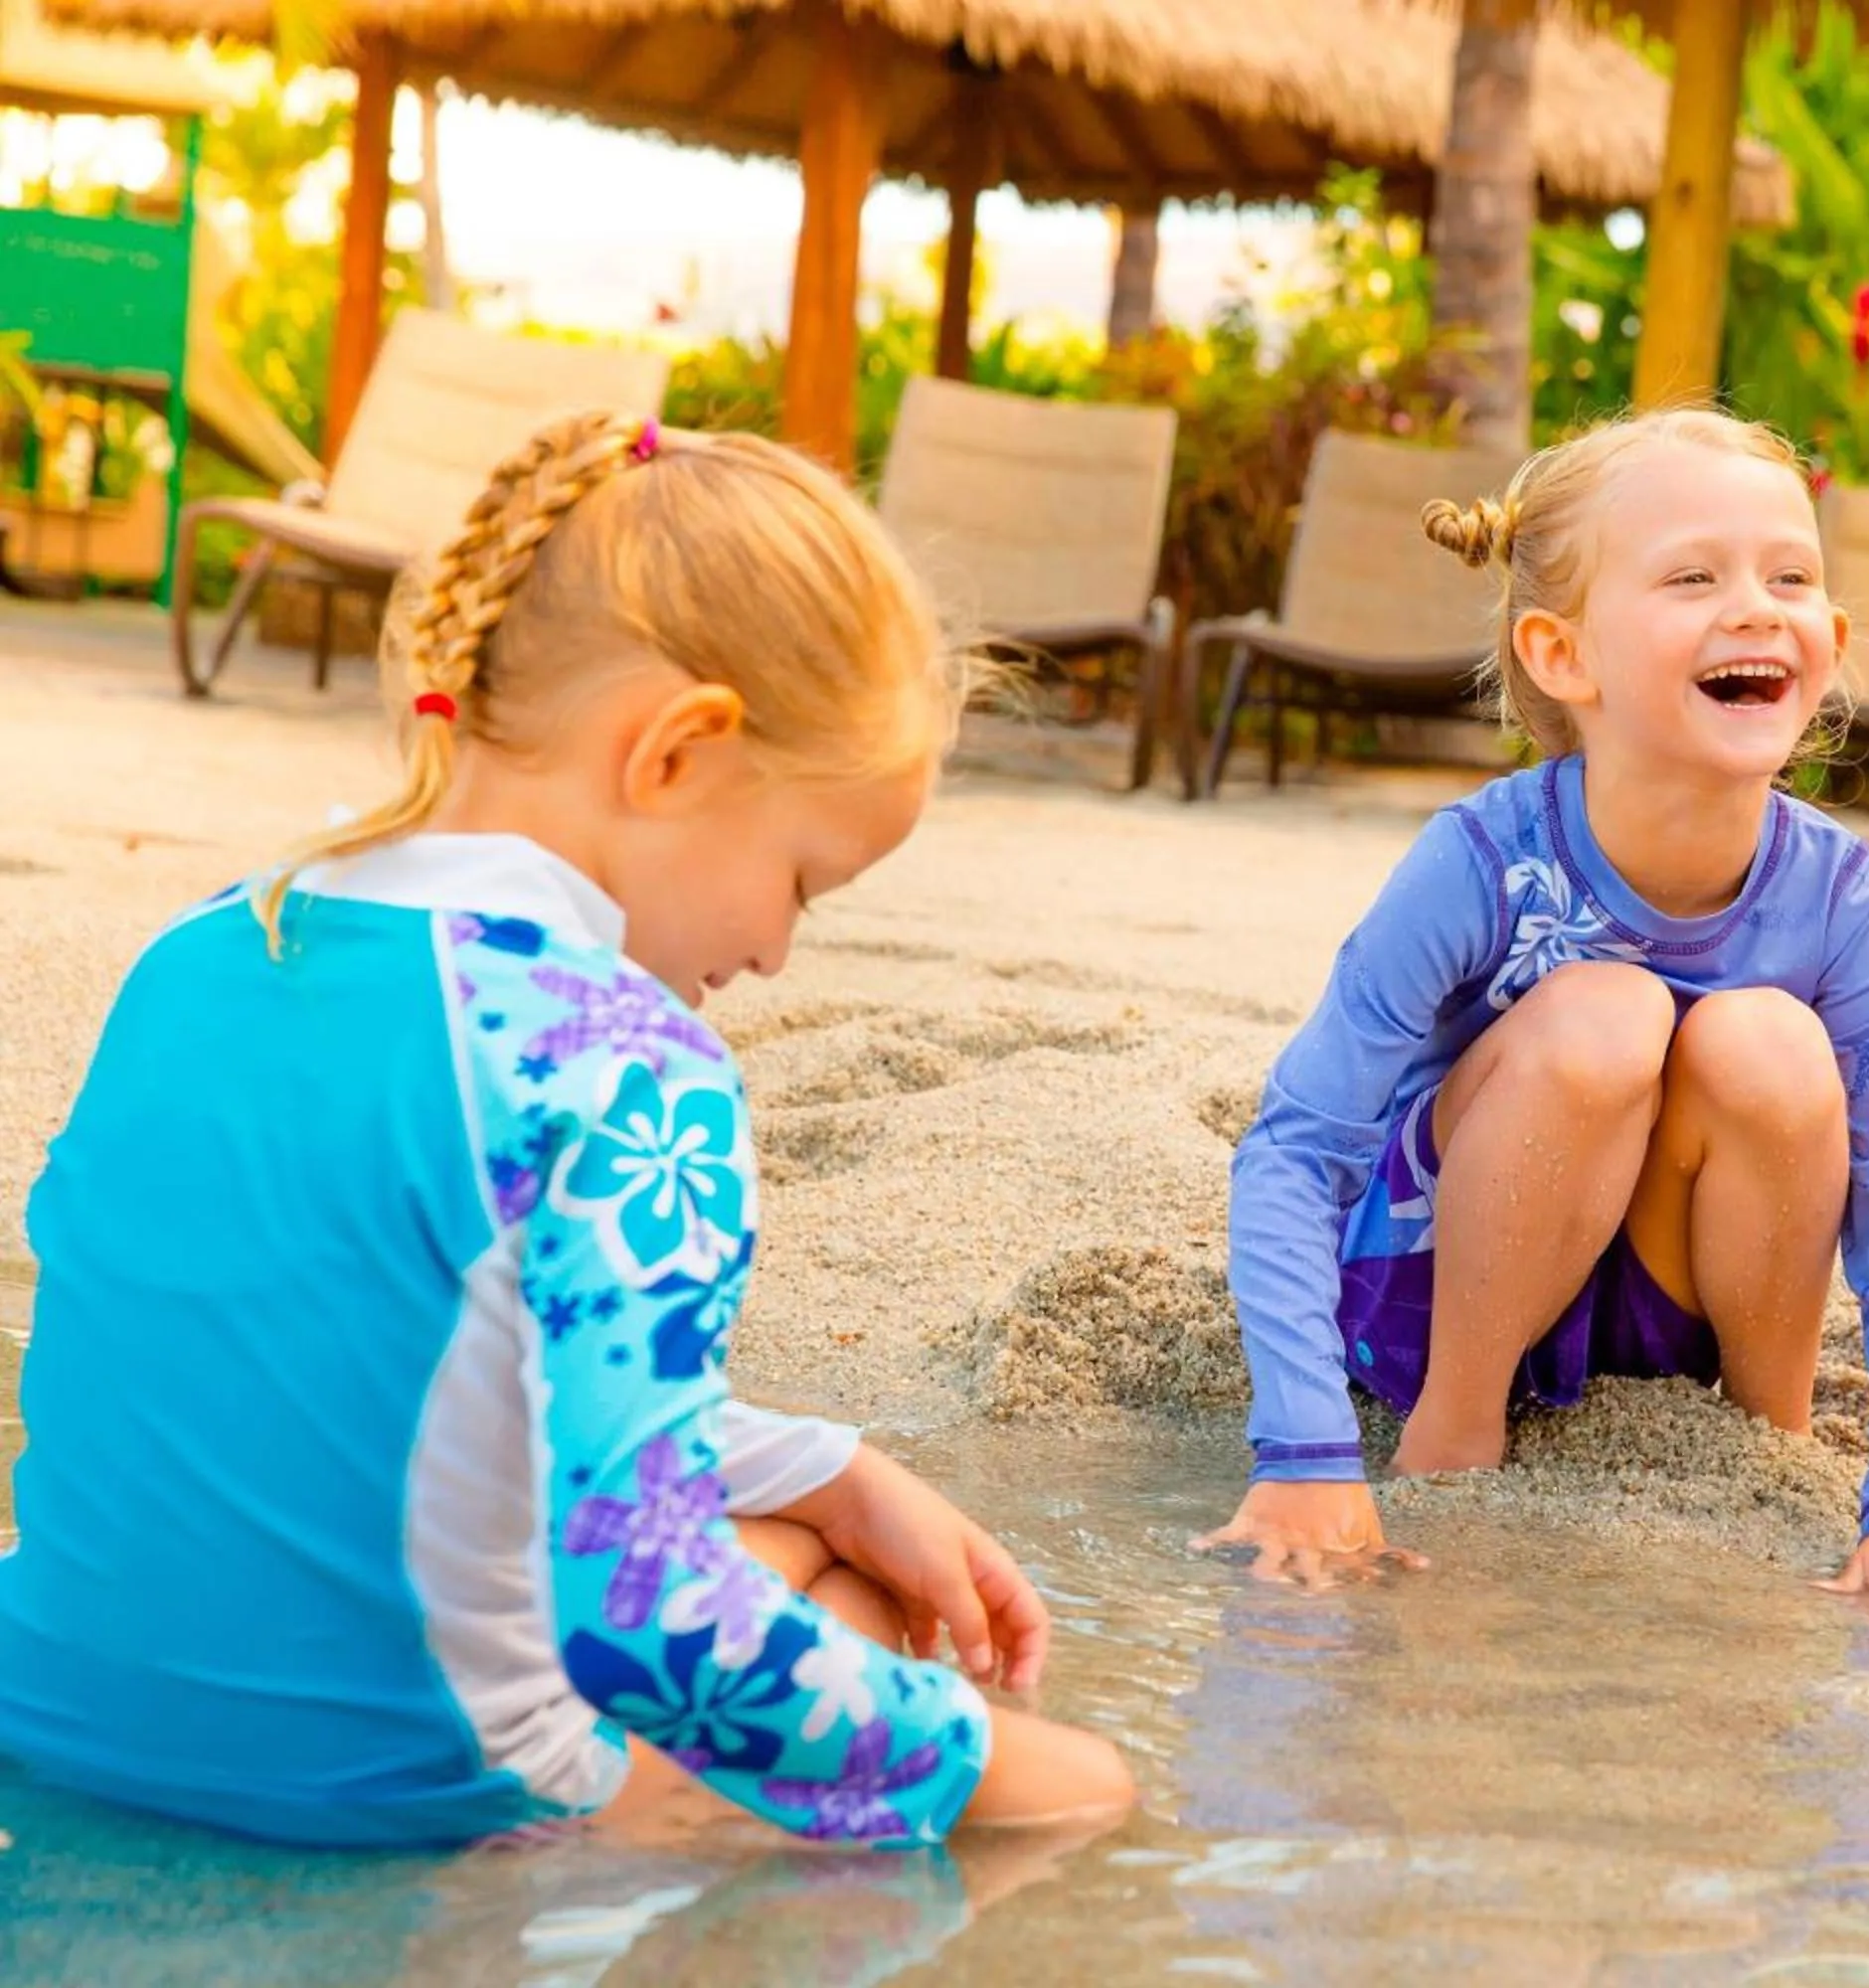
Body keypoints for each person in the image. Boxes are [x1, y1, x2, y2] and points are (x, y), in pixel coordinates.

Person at [0, 413, 1133, 1850]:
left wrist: (833, 1471)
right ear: (677, 752)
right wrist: (1004, 1765)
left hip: (49, 1711)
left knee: (805, 1541)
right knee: (981, 1714)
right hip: (393, 1798)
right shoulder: (622, 1063)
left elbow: (368, 1357)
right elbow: (647, 1622)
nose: (778, 952)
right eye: (802, 880)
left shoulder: (207, 946)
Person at [1198, 407, 1869, 1625]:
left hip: (1667, 1297)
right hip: (1441, 1296)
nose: (1755, 609)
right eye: (1694, 577)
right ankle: (1455, 1439)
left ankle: (1764, 1437)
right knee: (1606, 1013)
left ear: (1833, 642)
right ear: (1562, 654)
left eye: (1790, 577)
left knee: (1769, 1043)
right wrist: (1305, 1451)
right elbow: (1295, 1148)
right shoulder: (1482, 858)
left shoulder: (1835, 892)